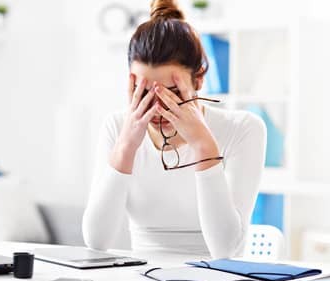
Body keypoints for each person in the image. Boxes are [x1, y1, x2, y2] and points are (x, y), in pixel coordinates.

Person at [82, 0, 266, 259]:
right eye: (144, 92)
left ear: (199, 79)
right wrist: (126, 146)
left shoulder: (243, 129)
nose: (158, 108)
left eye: (173, 92)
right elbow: (96, 242)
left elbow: (225, 251)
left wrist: (204, 146)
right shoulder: (116, 127)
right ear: (130, 84)